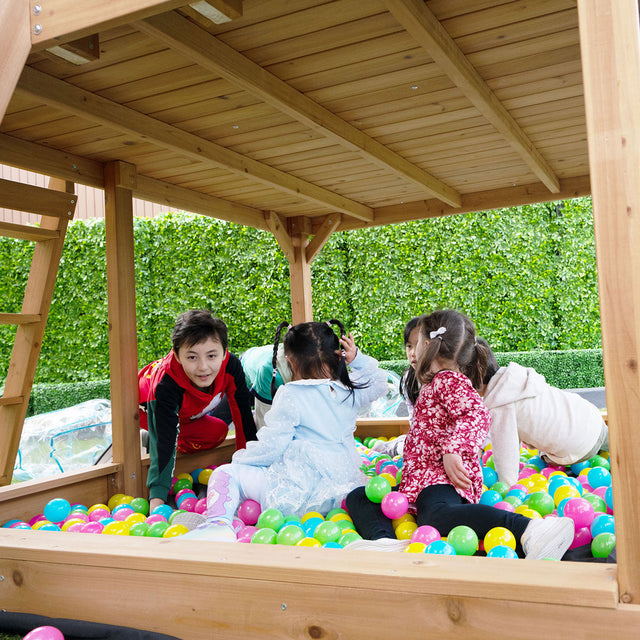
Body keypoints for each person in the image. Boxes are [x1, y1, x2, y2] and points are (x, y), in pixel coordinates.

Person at [346, 309, 575, 560]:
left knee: (433, 516)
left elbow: (477, 414)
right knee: (360, 496)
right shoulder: (436, 382)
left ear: (426, 344)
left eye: (416, 342)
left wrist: (452, 450)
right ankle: (386, 542)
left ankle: (529, 528)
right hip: (421, 482)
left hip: (442, 479)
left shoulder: (448, 381)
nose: (413, 350)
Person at [177, 319, 389, 541]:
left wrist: (240, 460)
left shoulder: (291, 394)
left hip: (297, 493)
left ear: (289, 361)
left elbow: (272, 445)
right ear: (338, 356)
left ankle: (218, 525)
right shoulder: (348, 390)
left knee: (225, 473)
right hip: (343, 489)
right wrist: (358, 359)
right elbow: (380, 382)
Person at [138, 309, 257, 511]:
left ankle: (178, 437)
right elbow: (163, 444)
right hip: (149, 409)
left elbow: (243, 416)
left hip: (189, 413)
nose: (203, 367)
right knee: (165, 440)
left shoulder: (231, 365)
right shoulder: (166, 384)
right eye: (192, 357)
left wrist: (250, 470)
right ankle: (151, 435)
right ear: (176, 355)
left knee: (217, 432)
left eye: (212, 355)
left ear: (224, 351)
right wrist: (156, 504)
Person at [479, 338, 609, 488]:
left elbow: (506, 454)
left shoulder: (500, 406)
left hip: (578, 449)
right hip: (593, 420)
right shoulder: (519, 376)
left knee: (543, 456)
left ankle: (571, 468)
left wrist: (507, 486)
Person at [372, 316, 421, 457]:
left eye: (418, 345)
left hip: (442, 441)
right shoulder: (409, 379)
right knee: (409, 449)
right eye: (409, 346)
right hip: (420, 439)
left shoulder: (443, 379)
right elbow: (414, 419)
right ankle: (390, 447)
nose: (412, 353)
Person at [240, 343, 292, 429]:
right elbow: (263, 424)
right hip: (246, 366)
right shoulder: (269, 372)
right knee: (226, 415)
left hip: (265, 363)